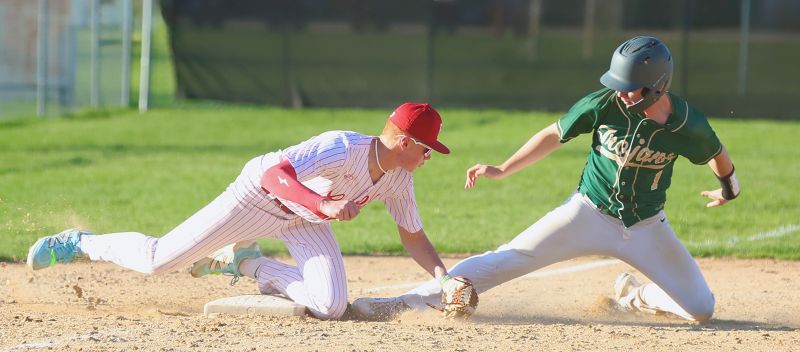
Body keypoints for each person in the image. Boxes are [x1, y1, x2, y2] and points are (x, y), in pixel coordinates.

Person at [352, 36, 740, 322]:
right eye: (618, 84)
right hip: (588, 212)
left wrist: (728, 189)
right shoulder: (603, 104)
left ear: (658, 85)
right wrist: (503, 169)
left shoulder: (688, 124)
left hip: (646, 226)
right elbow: (554, 134)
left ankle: (635, 297)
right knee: (507, 259)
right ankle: (404, 302)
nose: (620, 93)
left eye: (629, 87)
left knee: (701, 309)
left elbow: (716, 154)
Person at [27, 102, 472, 320]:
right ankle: (77, 242)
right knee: (157, 260)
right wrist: (324, 203)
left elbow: (412, 235)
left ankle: (247, 263)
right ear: (406, 142)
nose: (431, 156)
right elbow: (274, 176)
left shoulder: (399, 178)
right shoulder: (342, 146)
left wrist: (444, 278)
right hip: (256, 198)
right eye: (428, 148)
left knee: (331, 306)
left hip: (303, 220)